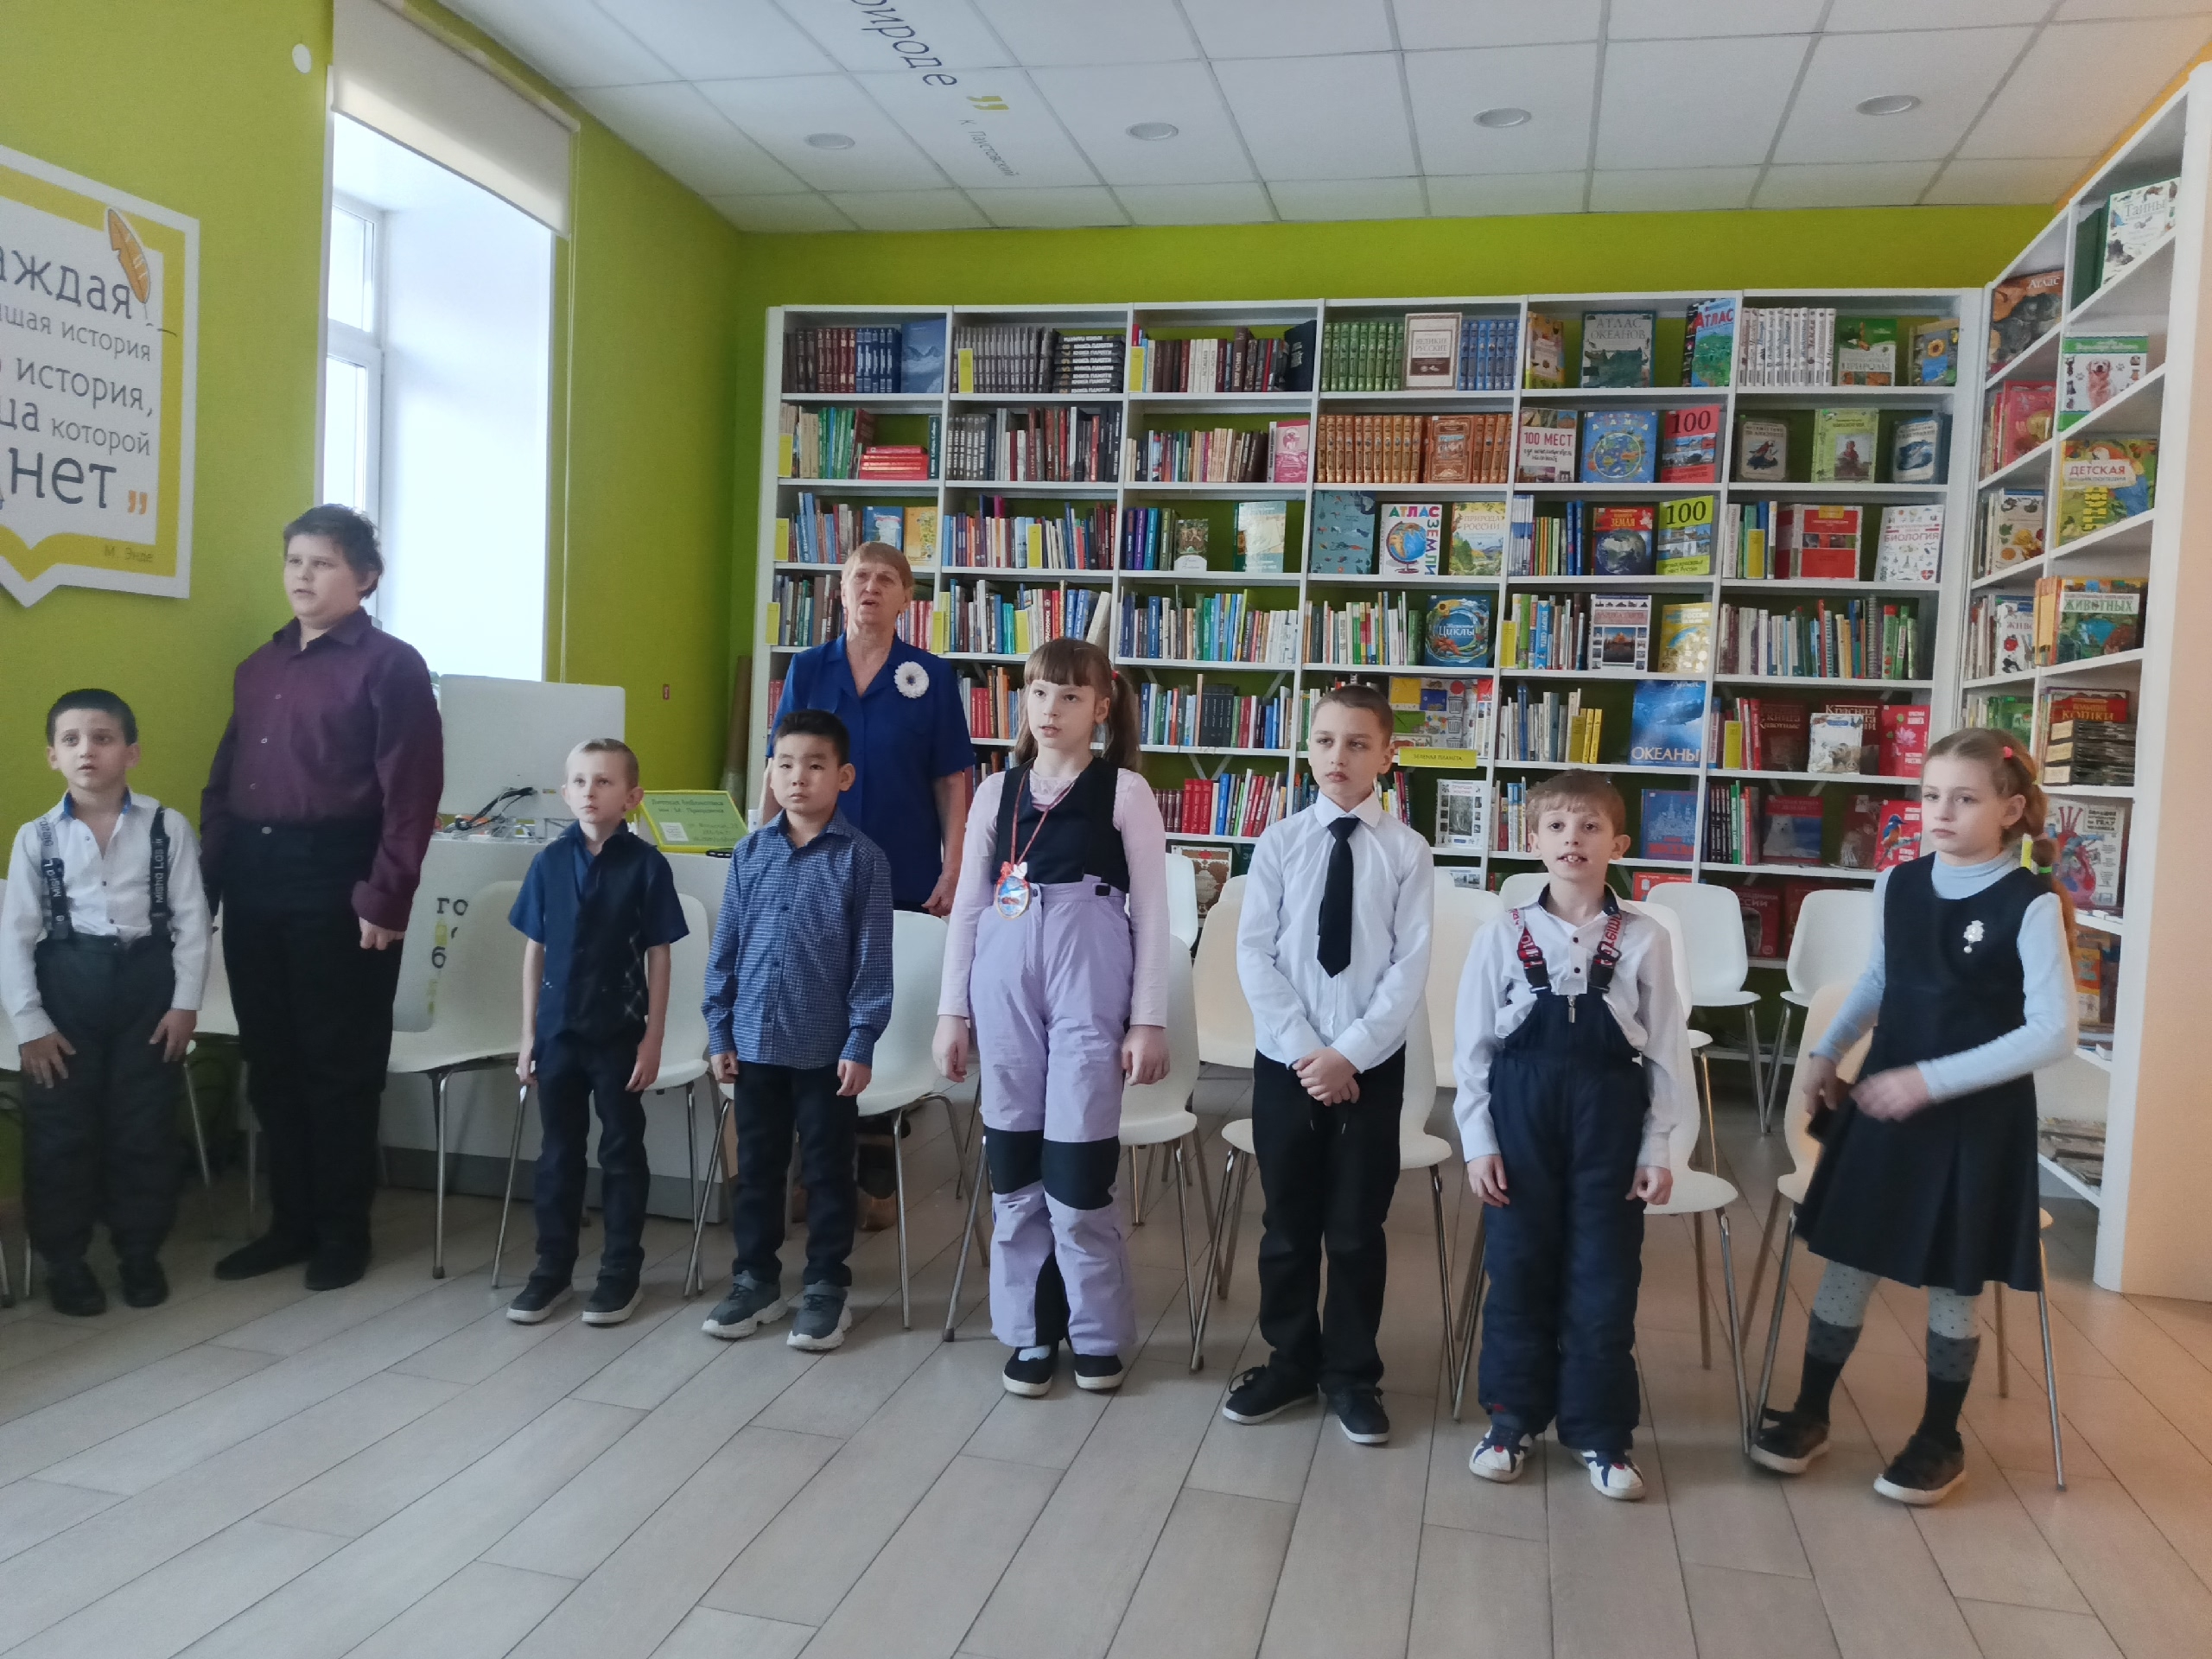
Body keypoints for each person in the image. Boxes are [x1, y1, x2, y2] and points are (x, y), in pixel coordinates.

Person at [1751, 729, 2076, 1506]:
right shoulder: (1898, 883)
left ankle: (1940, 1438)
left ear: (2010, 810)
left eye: (1964, 799)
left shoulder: (2029, 904)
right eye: (1931, 796)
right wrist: (1828, 1051)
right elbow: (1879, 979)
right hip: (1886, 1106)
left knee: (1953, 1283)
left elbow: (2053, 1033)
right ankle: (1810, 1411)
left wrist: (1929, 1082)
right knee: (1849, 1259)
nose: (1942, 812)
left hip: (1974, 1123)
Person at [202, 505, 442, 1291]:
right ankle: (291, 1225)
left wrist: (386, 896)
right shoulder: (258, 665)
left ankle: (343, 1232)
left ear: (365, 577)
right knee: (272, 1061)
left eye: (323, 562)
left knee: (338, 1065)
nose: (303, 575)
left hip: (340, 876)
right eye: (294, 560)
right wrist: (208, 881)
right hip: (256, 876)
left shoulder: (391, 666)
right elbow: (224, 780)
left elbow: (411, 794)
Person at [933, 638, 1170, 1398]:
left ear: (1100, 708)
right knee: (1015, 1173)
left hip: (1088, 979)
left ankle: (1094, 1333)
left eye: (1070, 696)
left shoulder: (1125, 792)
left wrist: (1149, 1019)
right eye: (1039, 693)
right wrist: (951, 1011)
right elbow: (970, 907)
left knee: (1077, 1177)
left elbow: (1153, 913)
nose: (1051, 709)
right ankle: (1030, 1331)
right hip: (1003, 985)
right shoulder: (995, 793)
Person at [1453, 770, 1692, 1500]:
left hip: (1608, 1118)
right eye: (1557, 826)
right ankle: (1511, 1419)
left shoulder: (1645, 938)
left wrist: (1658, 1146)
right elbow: (1472, 1050)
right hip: (1520, 1117)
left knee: (1604, 1278)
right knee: (1518, 1270)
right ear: (1533, 841)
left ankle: (1601, 1433)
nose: (1573, 840)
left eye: (1590, 827)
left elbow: (1667, 1050)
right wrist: (1479, 1141)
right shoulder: (1502, 934)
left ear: (1618, 843)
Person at [1224, 683, 1433, 1446]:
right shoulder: (1279, 843)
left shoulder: (1407, 852)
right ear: (1308, 747)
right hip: (1288, 1064)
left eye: (1356, 743)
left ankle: (1350, 1372)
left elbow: (1409, 969)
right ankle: (1290, 1360)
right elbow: (1255, 954)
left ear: (1387, 755)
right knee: (1287, 1225)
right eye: (1324, 741)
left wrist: (1349, 1055)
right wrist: (1307, 1053)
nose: (1337, 756)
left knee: (1354, 1229)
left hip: (1371, 1068)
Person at [772, 541, 974, 1229]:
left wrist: (954, 866)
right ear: (840, 588)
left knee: (879, 1019)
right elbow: (782, 764)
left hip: (902, 869)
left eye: (887, 579)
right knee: (814, 1018)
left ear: (906, 597)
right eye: (861, 575)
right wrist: (764, 849)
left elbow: (952, 779)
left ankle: (877, 1176)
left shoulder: (930, 676)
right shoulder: (809, 668)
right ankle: (817, 1170)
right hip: (813, 870)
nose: (872, 587)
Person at [2, 691, 210, 1315]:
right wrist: (29, 1023)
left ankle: (139, 1252)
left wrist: (185, 1004)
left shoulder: (167, 827)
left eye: (103, 737)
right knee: (59, 1132)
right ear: (53, 756)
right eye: (71, 740)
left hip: (147, 990)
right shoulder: (36, 837)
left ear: (131, 752)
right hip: (66, 990)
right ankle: (65, 1263)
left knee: (143, 1127)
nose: (86, 750)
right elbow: (15, 937)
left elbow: (192, 923)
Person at [699, 709, 893, 1351]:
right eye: (784, 765)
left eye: (814, 765)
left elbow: (872, 963)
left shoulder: (863, 860)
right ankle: (754, 1279)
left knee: (829, 1172)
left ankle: (825, 1287)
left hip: (825, 1052)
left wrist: (861, 1040)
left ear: (843, 776)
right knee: (757, 1169)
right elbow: (725, 950)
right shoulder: (750, 853)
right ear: (770, 774)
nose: (797, 778)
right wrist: (720, 1030)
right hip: (754, 1043)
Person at [505, 740, 688, 1327]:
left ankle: (619, 1271)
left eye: (605, 782)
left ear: (632, 797)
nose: (590, 791)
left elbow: (660, 954)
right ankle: (552, 1269)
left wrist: (653, 1039)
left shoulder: (647, 866)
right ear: (565, 792)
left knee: (621, 1152)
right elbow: (534, 950)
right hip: (558, 1034)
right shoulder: (548, 863)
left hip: (618, 1034)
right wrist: (528, 1034)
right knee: (558, 1153)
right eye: (580, 781)